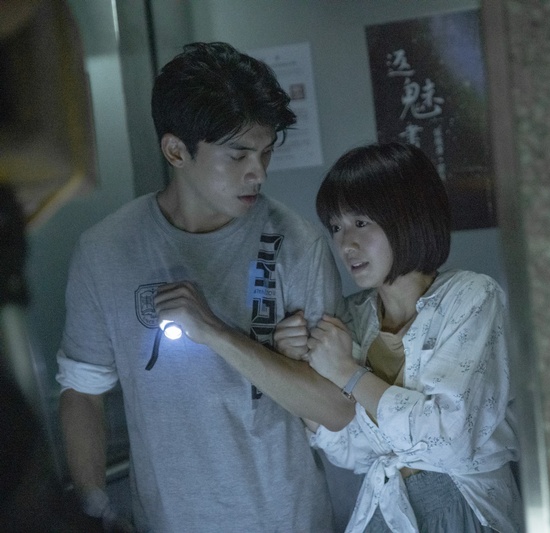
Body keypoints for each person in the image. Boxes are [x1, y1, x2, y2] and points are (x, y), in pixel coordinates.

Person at [55, 42, 355, 533]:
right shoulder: (105, 250)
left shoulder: (297, 243)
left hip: (289, 518)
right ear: (176, 151)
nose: (258, 172)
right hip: (168, 521)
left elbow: (337, 409)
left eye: (266, 152)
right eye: (238, 155)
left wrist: (215, 331)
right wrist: (94, 509)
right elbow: (82, 392)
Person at [275, 142, 524, 532]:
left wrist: (348, 373)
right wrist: (297, 365)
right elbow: (353, 453)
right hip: (386, 509)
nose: (346, 244)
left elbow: (451, 438)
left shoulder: (472, 297)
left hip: (463, 507)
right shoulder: (354, 317)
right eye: (336, 227)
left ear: (408, 216)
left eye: (361, 222)